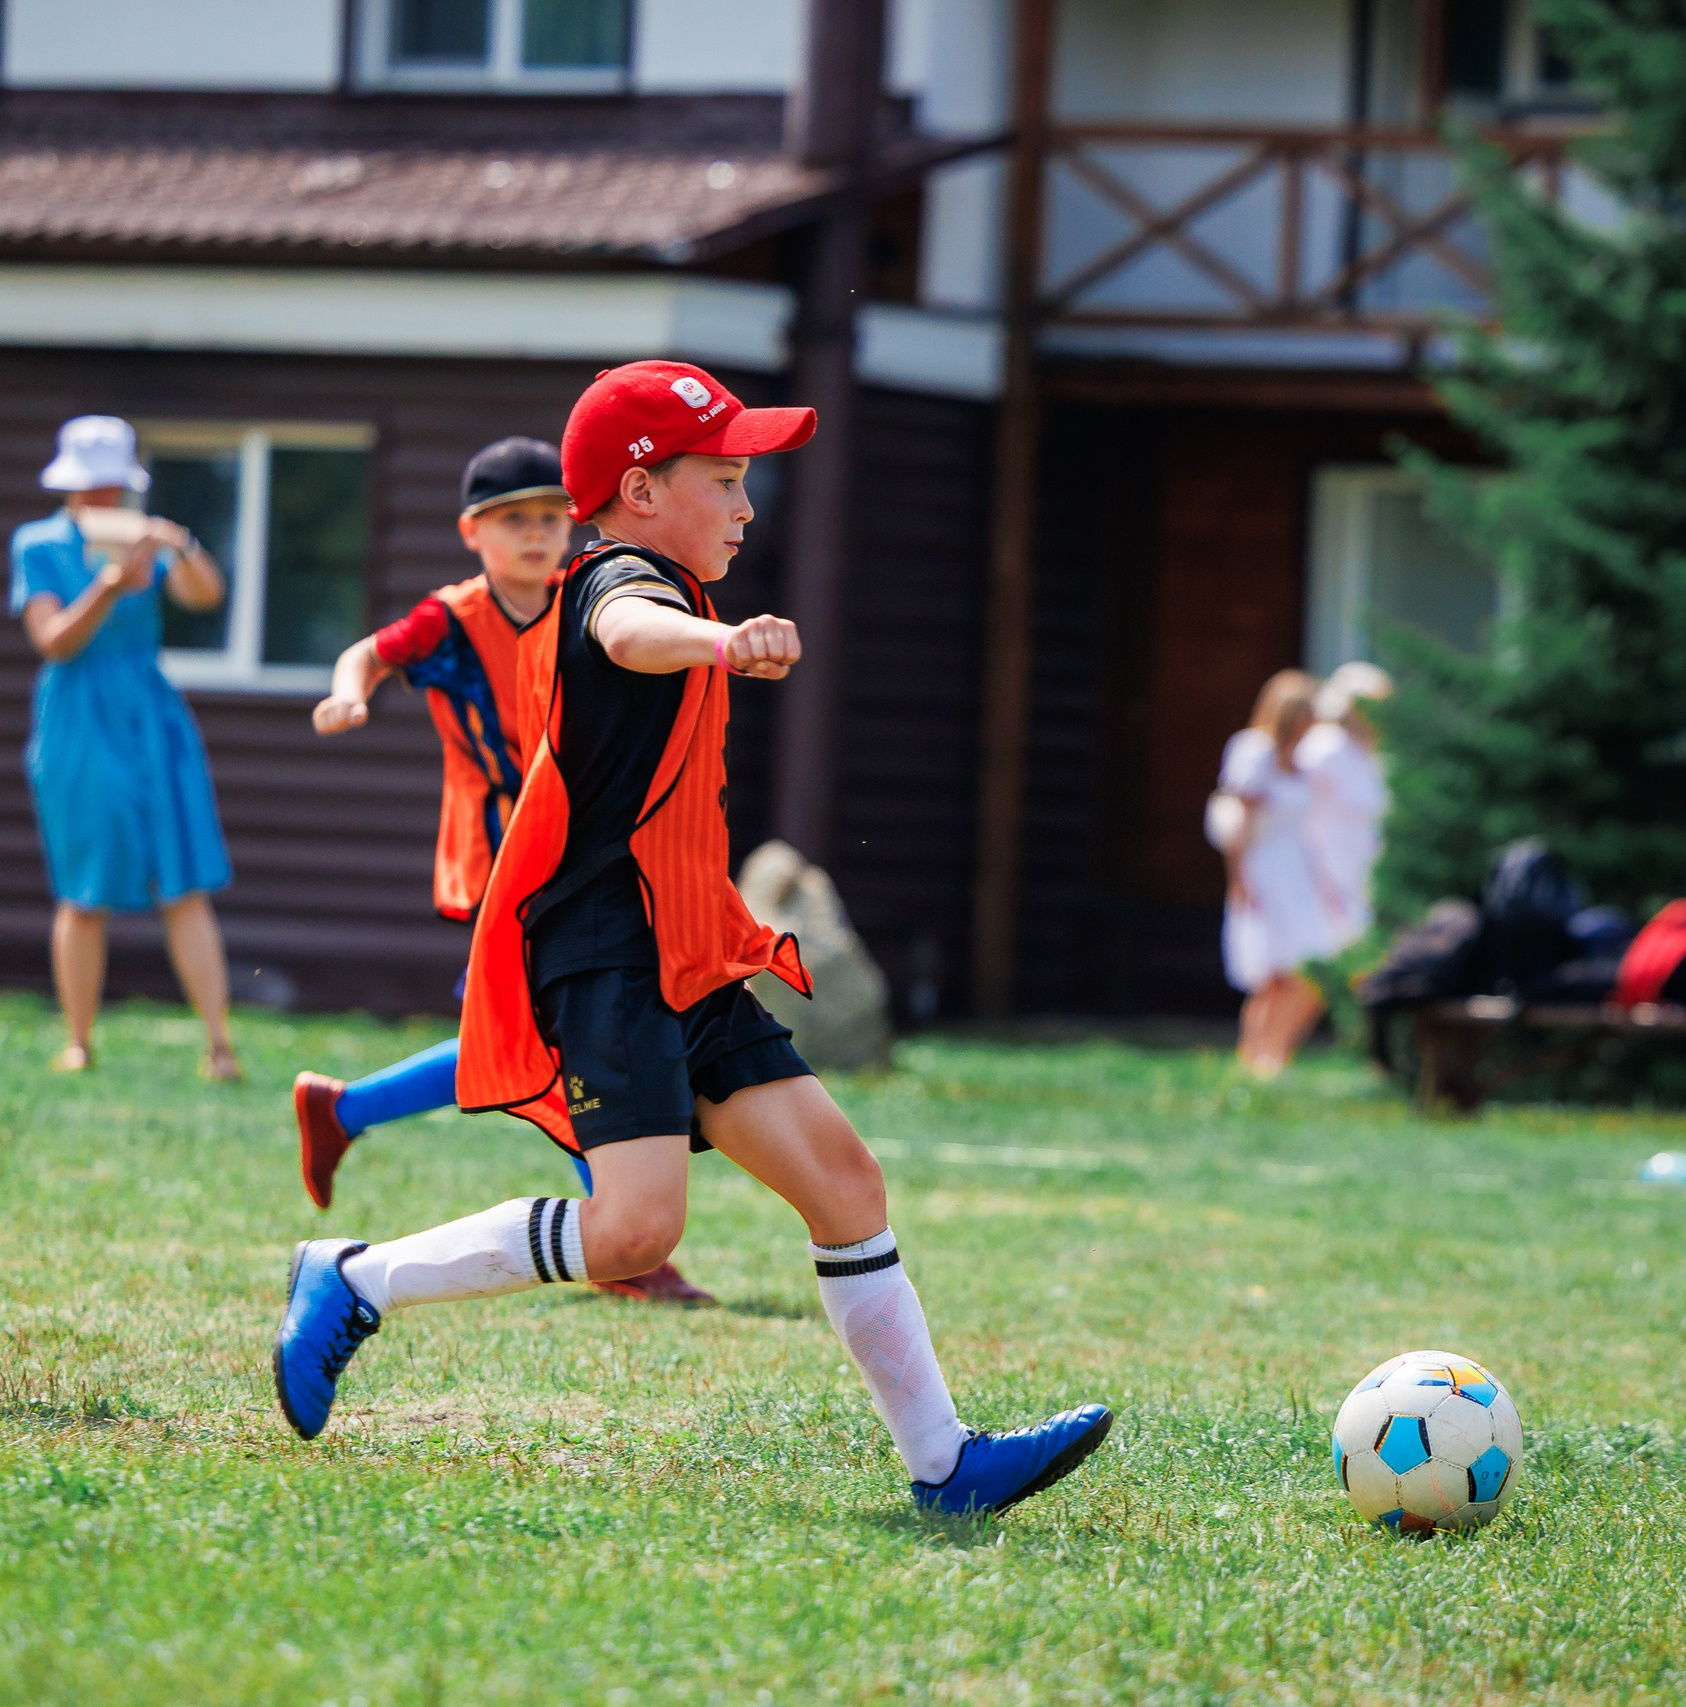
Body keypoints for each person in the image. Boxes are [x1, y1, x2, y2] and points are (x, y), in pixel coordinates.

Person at [272, 361, 1112, 1514]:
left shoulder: (666, 579)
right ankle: (354, 1279)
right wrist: (717, 646)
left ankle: (946, 1467)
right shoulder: (615, 580)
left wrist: (711, 639)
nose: (745, 506)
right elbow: (629, 631)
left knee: (845, 1184)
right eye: (725, 478)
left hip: (682, 949)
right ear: (641, 486)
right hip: (605, 953)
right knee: (631, 1232)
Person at [289, 435, 712, 1306]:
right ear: (471, 533)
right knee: (556, 1042)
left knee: (532, 1040)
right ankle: (622, 1238)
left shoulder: (582, 597)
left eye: (552, 517)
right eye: (513, 520)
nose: (536, 535)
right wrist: (350, 691)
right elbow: (369, 652)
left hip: (575, 850)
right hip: (503, 860)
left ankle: (344, 1109)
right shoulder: (448, 619)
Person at [12, 416, 240, 1080]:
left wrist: (179, 543)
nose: (105, 500)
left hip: (150, 713)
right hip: (77, 718)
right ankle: (79, 1040)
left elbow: (207, 595)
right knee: (83, 888)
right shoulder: (37, 544)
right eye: (93, 488)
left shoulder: (150, 542)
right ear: (70, 489)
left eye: (114, 487)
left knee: (185, 878)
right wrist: (110, 583)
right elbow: (54, 639)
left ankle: (219, 1044)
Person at [1214, 670, 1336, 1078]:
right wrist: (1239, 879)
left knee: (1307, 972)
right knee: (1270, 974)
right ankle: (1255, 1058)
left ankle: (1276, 1053)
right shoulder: (1253, 751)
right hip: (1263, 867)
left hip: (1296, 871)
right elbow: (1238, 825)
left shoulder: (1301, 759)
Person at [1295, 661, 1394, 962]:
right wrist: (1319, 881)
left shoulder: (1372, 754)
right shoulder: (1324, 749)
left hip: (1363, 879)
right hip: (1327, 879)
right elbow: (1299, 817)